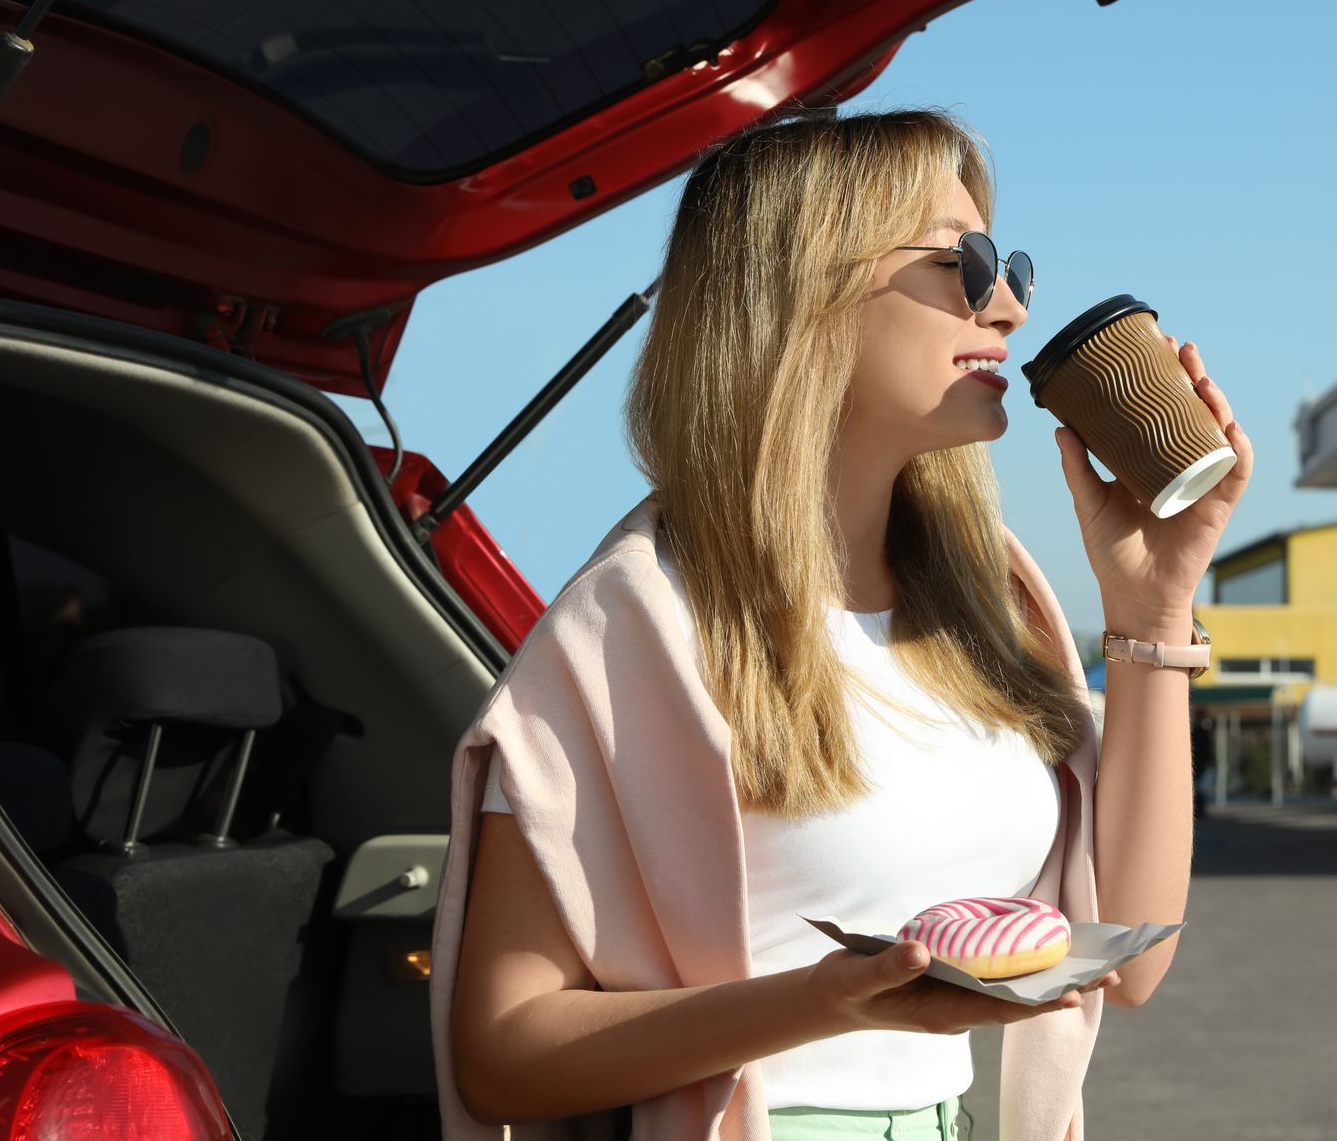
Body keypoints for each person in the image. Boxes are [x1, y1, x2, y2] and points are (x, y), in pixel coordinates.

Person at [436, 109, 1252, 1139]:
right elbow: (502, 1047)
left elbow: (1128, 960)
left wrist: (1153, 609)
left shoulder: (990, 607)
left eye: (1012, 269)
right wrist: (823, 999)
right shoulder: (635, 624)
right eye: (964, 262)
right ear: (799, 289)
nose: (1005, 306)